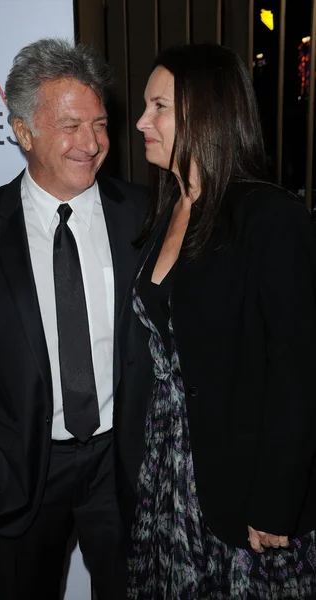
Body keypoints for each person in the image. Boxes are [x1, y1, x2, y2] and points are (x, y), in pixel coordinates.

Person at [0, 38, 148, 600]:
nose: (93, 143)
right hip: (22, 472)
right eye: (71, 126)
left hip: (123, 467)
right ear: (24, 132)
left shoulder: (145, 215)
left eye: (100, 124)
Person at [114, 43, 316, 599]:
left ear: (206, 114)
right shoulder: (166, 209)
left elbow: (297, 373)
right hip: (165, 477)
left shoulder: (271, 219)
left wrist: (277, 500)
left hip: (243, 486)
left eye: (158, 107)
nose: (139, 122)